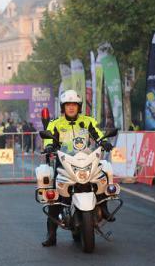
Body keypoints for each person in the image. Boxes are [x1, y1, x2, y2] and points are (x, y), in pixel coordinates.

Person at [41, 90, 114, 247]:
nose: (71, 108)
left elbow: (98, 134)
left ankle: (103, 206)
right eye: (68, 105)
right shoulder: (56, 123)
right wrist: (49, 147)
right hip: (65, 162)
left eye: (74, 104)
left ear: (79, 107)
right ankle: (51, 235)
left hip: (85, 161)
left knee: (102, 174)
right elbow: (49, 139)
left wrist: (104, 142)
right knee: (55, 197)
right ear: (63, 107)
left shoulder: (87, 121)